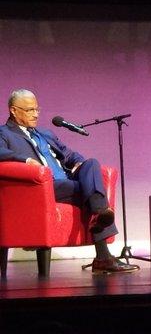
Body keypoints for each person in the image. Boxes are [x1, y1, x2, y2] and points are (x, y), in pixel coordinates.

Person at [0, 89, 139, 274]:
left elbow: (70, 155)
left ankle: (99, 213)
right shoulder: (4, 133)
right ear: (13, 110)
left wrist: (78, 163)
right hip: (41, 187)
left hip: (66, 183)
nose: (35, 114)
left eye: (37, 109)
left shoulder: (45, 133)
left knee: (91, 164)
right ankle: (103, 255)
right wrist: (25, 160)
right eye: (29, 110)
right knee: (91, 192)